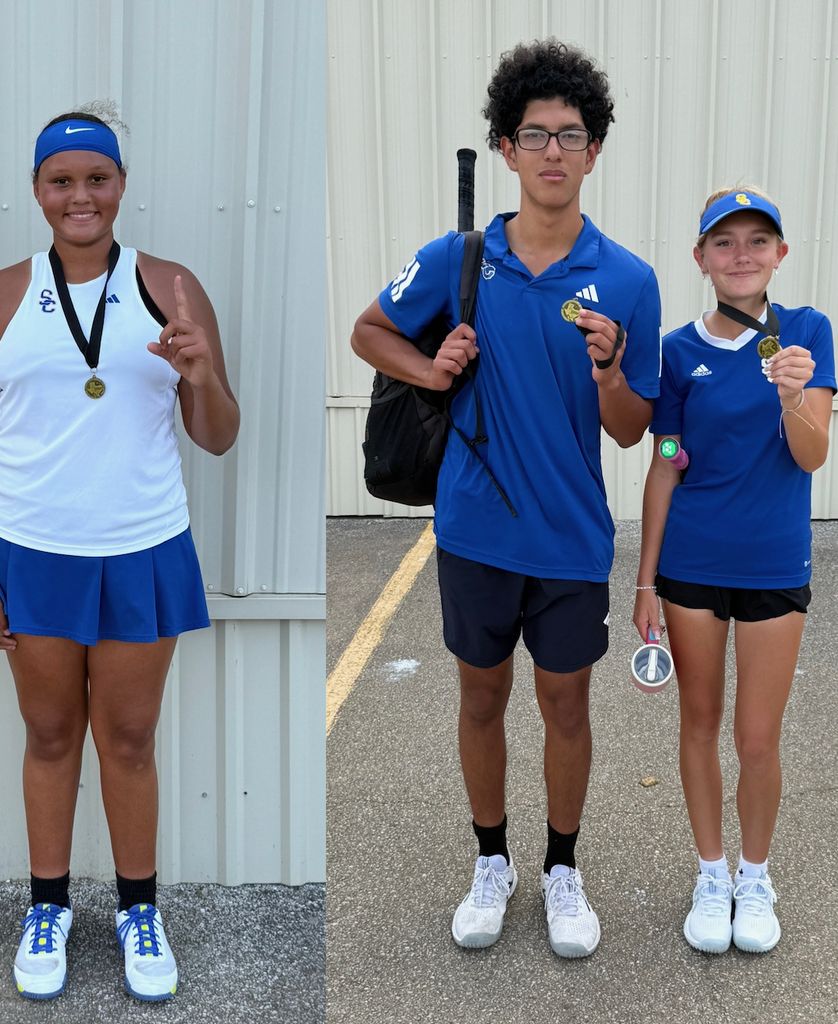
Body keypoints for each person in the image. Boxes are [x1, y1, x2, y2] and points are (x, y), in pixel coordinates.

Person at [351, 39, 661, 957]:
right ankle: (493, 860)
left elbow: (631, 429)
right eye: (534, 134)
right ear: (505, 147)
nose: (552, 151)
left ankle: (562, 869)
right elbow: (370, 331)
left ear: (594, 151)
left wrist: (610, 371)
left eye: (570, 135)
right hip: (475, 529)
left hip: (570, 538)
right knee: (481, 700)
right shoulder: (459, 258)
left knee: (566, 707)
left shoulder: (629, 279)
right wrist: (432, 367)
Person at [0, 108, 239, 1000]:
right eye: (61, 180)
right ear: (37, 191)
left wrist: (201, 375)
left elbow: (218, 434)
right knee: (49, 734)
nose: (81, 196)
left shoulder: (172, 289)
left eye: (97, 178)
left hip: (141, 548)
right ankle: (48, 908)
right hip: (30, 551)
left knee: (131, 739)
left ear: (121, 185)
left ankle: (139, 911)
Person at [632, 187, 834, 953]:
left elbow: (811, 454)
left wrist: (793, 396)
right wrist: (645, 580)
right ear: (700, 258)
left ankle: (755, 876)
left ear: (780, 253)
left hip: (773, 566)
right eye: (724, 242)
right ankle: (711, 873)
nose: (740, 255)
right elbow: (667, 460)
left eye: (757, 241)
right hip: (691, 566)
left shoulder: (805, 333)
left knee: (756, 738)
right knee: (700, 722)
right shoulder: (677, 351)